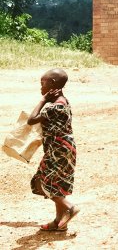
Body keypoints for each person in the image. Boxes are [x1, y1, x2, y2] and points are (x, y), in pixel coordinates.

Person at [27, 68, 79, 231]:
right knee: (58, 182)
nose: (41, 87)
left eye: (43, 83)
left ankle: (70, 208)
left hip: (57, 150)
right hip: (65, 147)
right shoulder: (64, 101)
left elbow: (31, 120)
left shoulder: (52, 107)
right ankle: (58, 222)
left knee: (42, 181)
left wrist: (42, 100)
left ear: (53, 84)